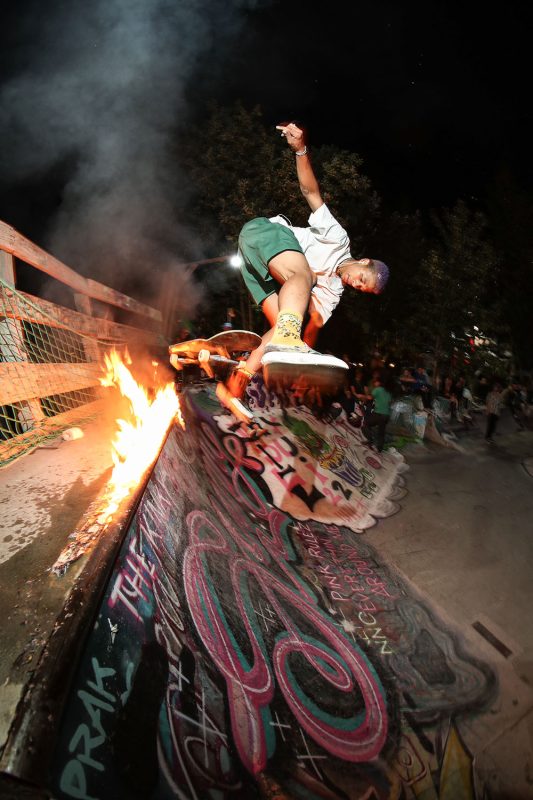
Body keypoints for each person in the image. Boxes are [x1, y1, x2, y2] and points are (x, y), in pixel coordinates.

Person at [216, 121, 390, 422]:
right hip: (265, 234)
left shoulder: (333, 293)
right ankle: (285, 337)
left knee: (281, 327)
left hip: (256, 268)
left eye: (360, 288)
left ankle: (235, 384)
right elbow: (310, 192)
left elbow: (313, 326)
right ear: (363, 261)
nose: (354, 283)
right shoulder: (338, 240)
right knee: (305, 278)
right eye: (361, 278)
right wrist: (300, 150)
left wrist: (302, 362)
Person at [362, 375, 392, 452]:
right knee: (381, 432)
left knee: (366, 424)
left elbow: (369, 398)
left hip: (379, 414)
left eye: (375, 382)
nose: (374, 383)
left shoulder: (377, 389)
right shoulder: (388, 391)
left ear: (379, 382)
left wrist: (364, 395)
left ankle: (370, 440)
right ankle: (379, 449)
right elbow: (389, 402)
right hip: (386, 415)